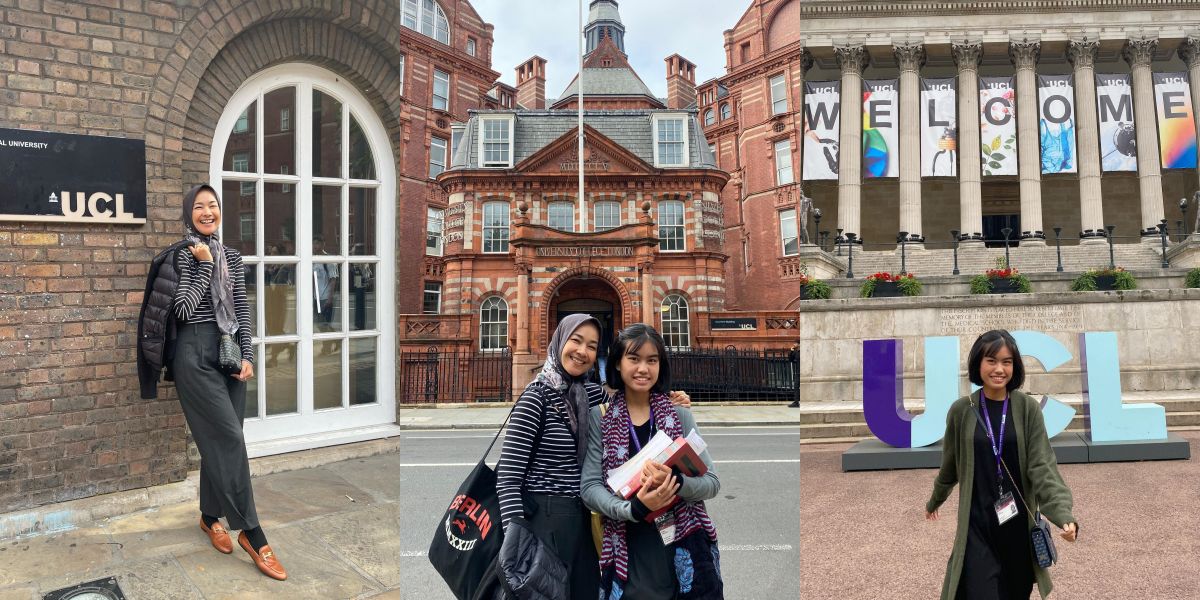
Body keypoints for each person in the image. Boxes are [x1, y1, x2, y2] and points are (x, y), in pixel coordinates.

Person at [496, 316, 691, 599]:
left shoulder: (590, 393)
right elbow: (508, 479)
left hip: (581, 521)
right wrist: (515, 543)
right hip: (542, 520)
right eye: (575, 340)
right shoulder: (535, 398)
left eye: (592, 346)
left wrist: (670, 401)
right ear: (560, 341)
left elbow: (629, 408)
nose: (582, 351)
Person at [169, 184, 287, 580]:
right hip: (193, 354)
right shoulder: (181, 256)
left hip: (229, 352)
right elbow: (183, 311)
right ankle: (252, 533)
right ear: (188, 214)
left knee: (222, 439)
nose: (207, 211)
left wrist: (248, 354)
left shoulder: (232, 257)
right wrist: (203, 265)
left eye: (213, 205)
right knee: (228, 440)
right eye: (199, 206)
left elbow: (241, 307)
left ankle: (208, 516)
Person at [925, 329, 1077, 600]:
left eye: (1006, 362)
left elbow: (1042, 465)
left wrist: (1062, 513)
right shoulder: (962, 410)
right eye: (991, 360)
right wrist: (936, 499)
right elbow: (950, 465)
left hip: (1017, 527)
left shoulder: (1026, 408)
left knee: (1014, 592)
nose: (999, 369)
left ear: (1015, 366)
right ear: (978, 364)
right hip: (976, 526)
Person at [582, 323, 722, 600]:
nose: (643, 368)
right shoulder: (601, 418)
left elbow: (712, 483)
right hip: (629, 544)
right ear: (618, 364)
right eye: (633, 359)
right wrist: (632, 508)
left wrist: (676, 482)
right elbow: (589, 488)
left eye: (652, 360)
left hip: (683, 542)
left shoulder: (679, 415)